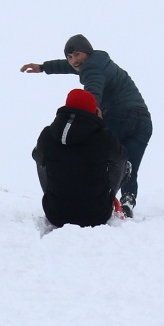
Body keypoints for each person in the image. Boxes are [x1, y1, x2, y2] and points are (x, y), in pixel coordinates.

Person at [21, 35, 151, 217]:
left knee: (104, 159)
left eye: (76, 54)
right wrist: (43, 67)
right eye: (70, 57)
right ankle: (127, 200)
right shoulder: (100, 61)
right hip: (143, 121)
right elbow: (72, 68)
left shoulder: (91, 70)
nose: (74, 60)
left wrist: (90, 110)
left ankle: (104, 200)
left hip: (119, 116)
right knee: (128, 165)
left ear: (87, 52)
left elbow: (93, 88)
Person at [33, 89, 129, 228]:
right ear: (93, 110)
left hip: (55, 214)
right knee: (123, 164)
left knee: (41, 158)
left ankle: (53, 197)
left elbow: (37, 157)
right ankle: (110, 199)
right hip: (97, 216)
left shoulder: (47, 134)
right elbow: (123, 157)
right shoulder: (103, 137)